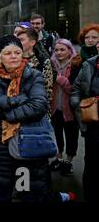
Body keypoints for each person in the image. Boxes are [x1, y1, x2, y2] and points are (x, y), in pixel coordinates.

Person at [0, 35, 50, 202]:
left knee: (25, 192)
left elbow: (39, 105)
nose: (13, 56)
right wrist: (15, 100)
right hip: (0, 148)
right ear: (0, 56)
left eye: (17, 52)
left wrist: (7, 114)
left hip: (26, 148)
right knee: (2, 194)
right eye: (8, 53)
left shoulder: (33, 76)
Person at [70, 40, 99, 203]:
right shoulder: (89, 65)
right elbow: (76, 89)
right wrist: (79, 105)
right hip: (93, 124)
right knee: (92, 166)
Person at [49, 39, 78, 176]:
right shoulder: (51, 64)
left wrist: (60, 80)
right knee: (57, 134)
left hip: (70, 109)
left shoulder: (75, 65)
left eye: (62, 50)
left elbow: (74, 88)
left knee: (71, 136)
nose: (59, 52)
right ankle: (58, 158)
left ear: (69, 50)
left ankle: (68, 161)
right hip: (56, 108)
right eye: (56, 50)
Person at [17, 28, 54, 104]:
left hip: (36, 107)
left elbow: (47, 90)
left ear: (32, 42)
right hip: (15, 105)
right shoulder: (13, 60)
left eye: (21, 40)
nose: (17, 42)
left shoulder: (43, 61)